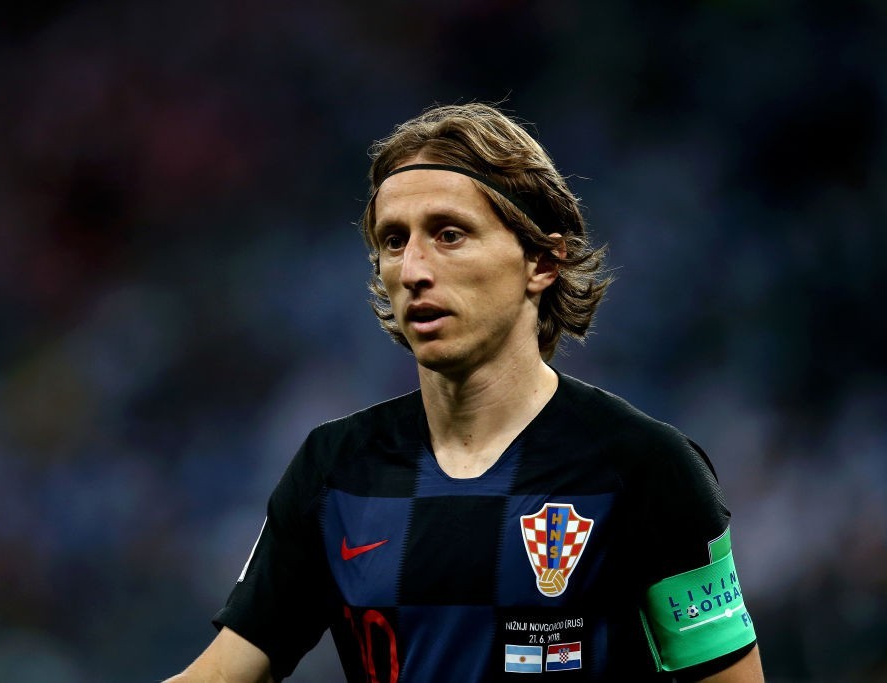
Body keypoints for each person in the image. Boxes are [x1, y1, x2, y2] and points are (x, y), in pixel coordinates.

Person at [165, 103, 764, 682]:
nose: (413, 268)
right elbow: (224, 674)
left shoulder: (646, 470)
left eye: (449, 234)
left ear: (541, 261)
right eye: (393, 241)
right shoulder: (336, 471)